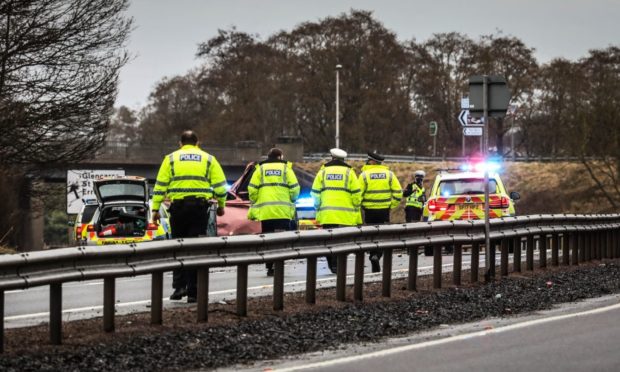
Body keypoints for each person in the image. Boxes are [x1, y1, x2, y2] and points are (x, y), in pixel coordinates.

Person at [151, 130, 227, 303]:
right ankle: (194, 292)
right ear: (197, 143)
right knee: (196, 249)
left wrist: (155, 209)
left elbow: (160, 185)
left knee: (178, 246)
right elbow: (221, 187)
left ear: (180, 143)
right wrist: (221, 205)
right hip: (200, 210)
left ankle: (179, 288)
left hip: (178, 209)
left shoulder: (170, 158)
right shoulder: (208, 159)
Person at [247, 148, 300, 276]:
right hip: (283, 211)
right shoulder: (286, 169)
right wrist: (291, 199)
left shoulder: (260, 169)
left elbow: (252, 189)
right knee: (281, 240)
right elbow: (295, 188)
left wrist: (256, 200)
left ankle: (269, 266)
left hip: (266, 212)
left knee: (268, 239)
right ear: (280, 157)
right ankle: (279, 264)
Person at [311, 148, 362, 273]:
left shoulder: (323, 172)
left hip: (327, 214)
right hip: (346, 215)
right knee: (343, 242)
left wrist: (318, 206)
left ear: (332, 157)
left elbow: (315, 192)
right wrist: (356, 205)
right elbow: (356, 193)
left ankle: (332, 265)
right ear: (343, 159)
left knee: (329, 240)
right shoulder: (349, 173)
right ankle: (339, 264)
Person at [359, 152, 402, 272]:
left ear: (372, 162)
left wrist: (361, 205)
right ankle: (377, 255)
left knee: (372, 235)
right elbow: (398, 192)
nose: (366, 162)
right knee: (382, 236)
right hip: (384, 210)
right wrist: (391, 204)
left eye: (368, 160)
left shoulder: (364, 175)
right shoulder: (389, 174)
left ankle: (373, 255)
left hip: (369, 211)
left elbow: (358, 194)